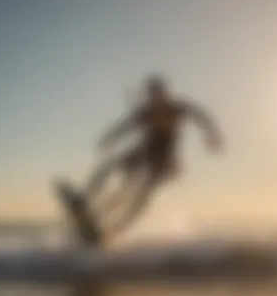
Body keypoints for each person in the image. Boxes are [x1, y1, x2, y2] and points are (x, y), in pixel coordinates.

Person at [89, 75, 224, 236]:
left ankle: (113, 229)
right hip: (145, 151)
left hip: (164, 161)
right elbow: (125, 125)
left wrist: (212, 135)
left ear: (164, 94)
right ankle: (89, 199)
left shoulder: (176, 107)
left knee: (140, 196)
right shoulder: (146, 112)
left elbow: (200, 116)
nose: (155, 99)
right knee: (115, 167)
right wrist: (109, 138)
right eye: (151, 95)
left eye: (157, 94)